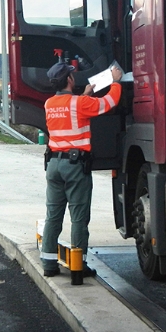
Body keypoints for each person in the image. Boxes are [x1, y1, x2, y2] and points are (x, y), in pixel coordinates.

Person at [41, 61, 122, 277]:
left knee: (53, 216)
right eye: (71, 74)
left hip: (54, 165)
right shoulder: (79, 103)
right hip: (75, 166)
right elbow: (109, 103)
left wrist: (86, 94)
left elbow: (72, 109)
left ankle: (48, 265)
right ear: (69, 80)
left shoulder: (49, 104)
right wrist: (114, 81)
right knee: (78, 217)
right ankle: (78, 267)